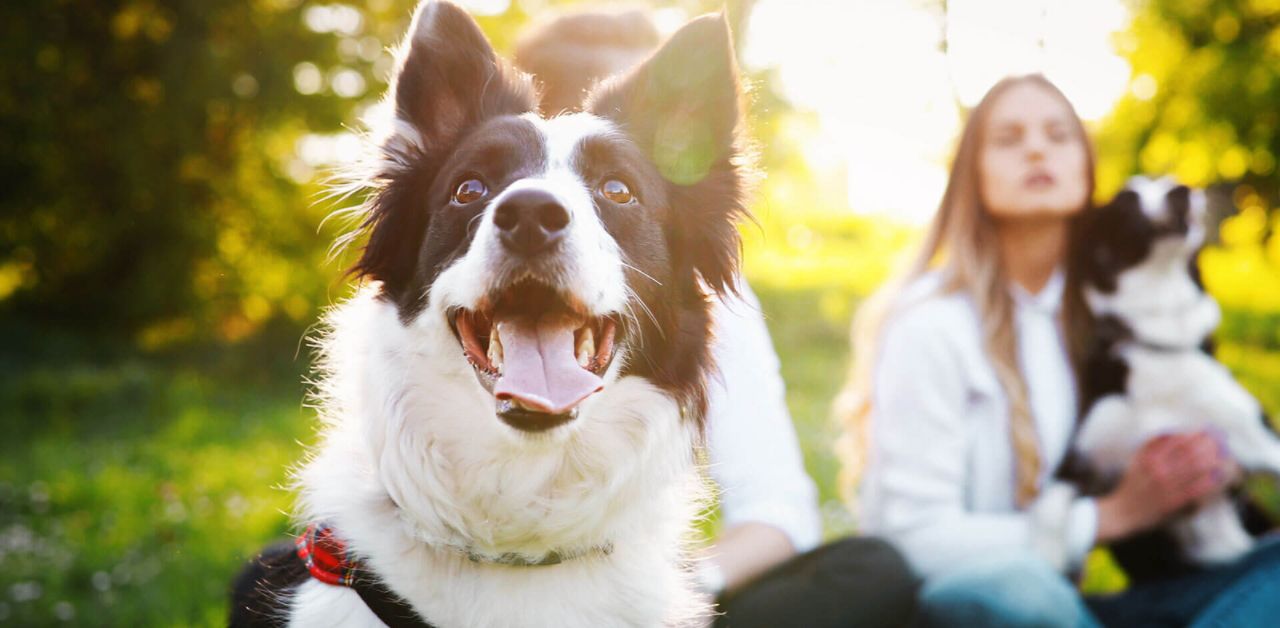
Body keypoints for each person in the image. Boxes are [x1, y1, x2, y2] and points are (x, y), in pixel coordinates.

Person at [514, 10, 918, 628]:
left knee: (870, 570)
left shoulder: (693, 296)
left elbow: (778, 513)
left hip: (652, 599)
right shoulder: (451, 286)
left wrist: (648, 594)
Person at [838, 73, 1280, 627]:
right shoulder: (931, 323)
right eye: (1008, 138)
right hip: (963, 602)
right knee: (1020, 591)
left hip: (1070, 610)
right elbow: (913, 540)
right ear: (970, 175)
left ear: (1086, 168)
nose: (1037, 148)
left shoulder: (1105, 319)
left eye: (1058, 134)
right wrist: (1110, 517)